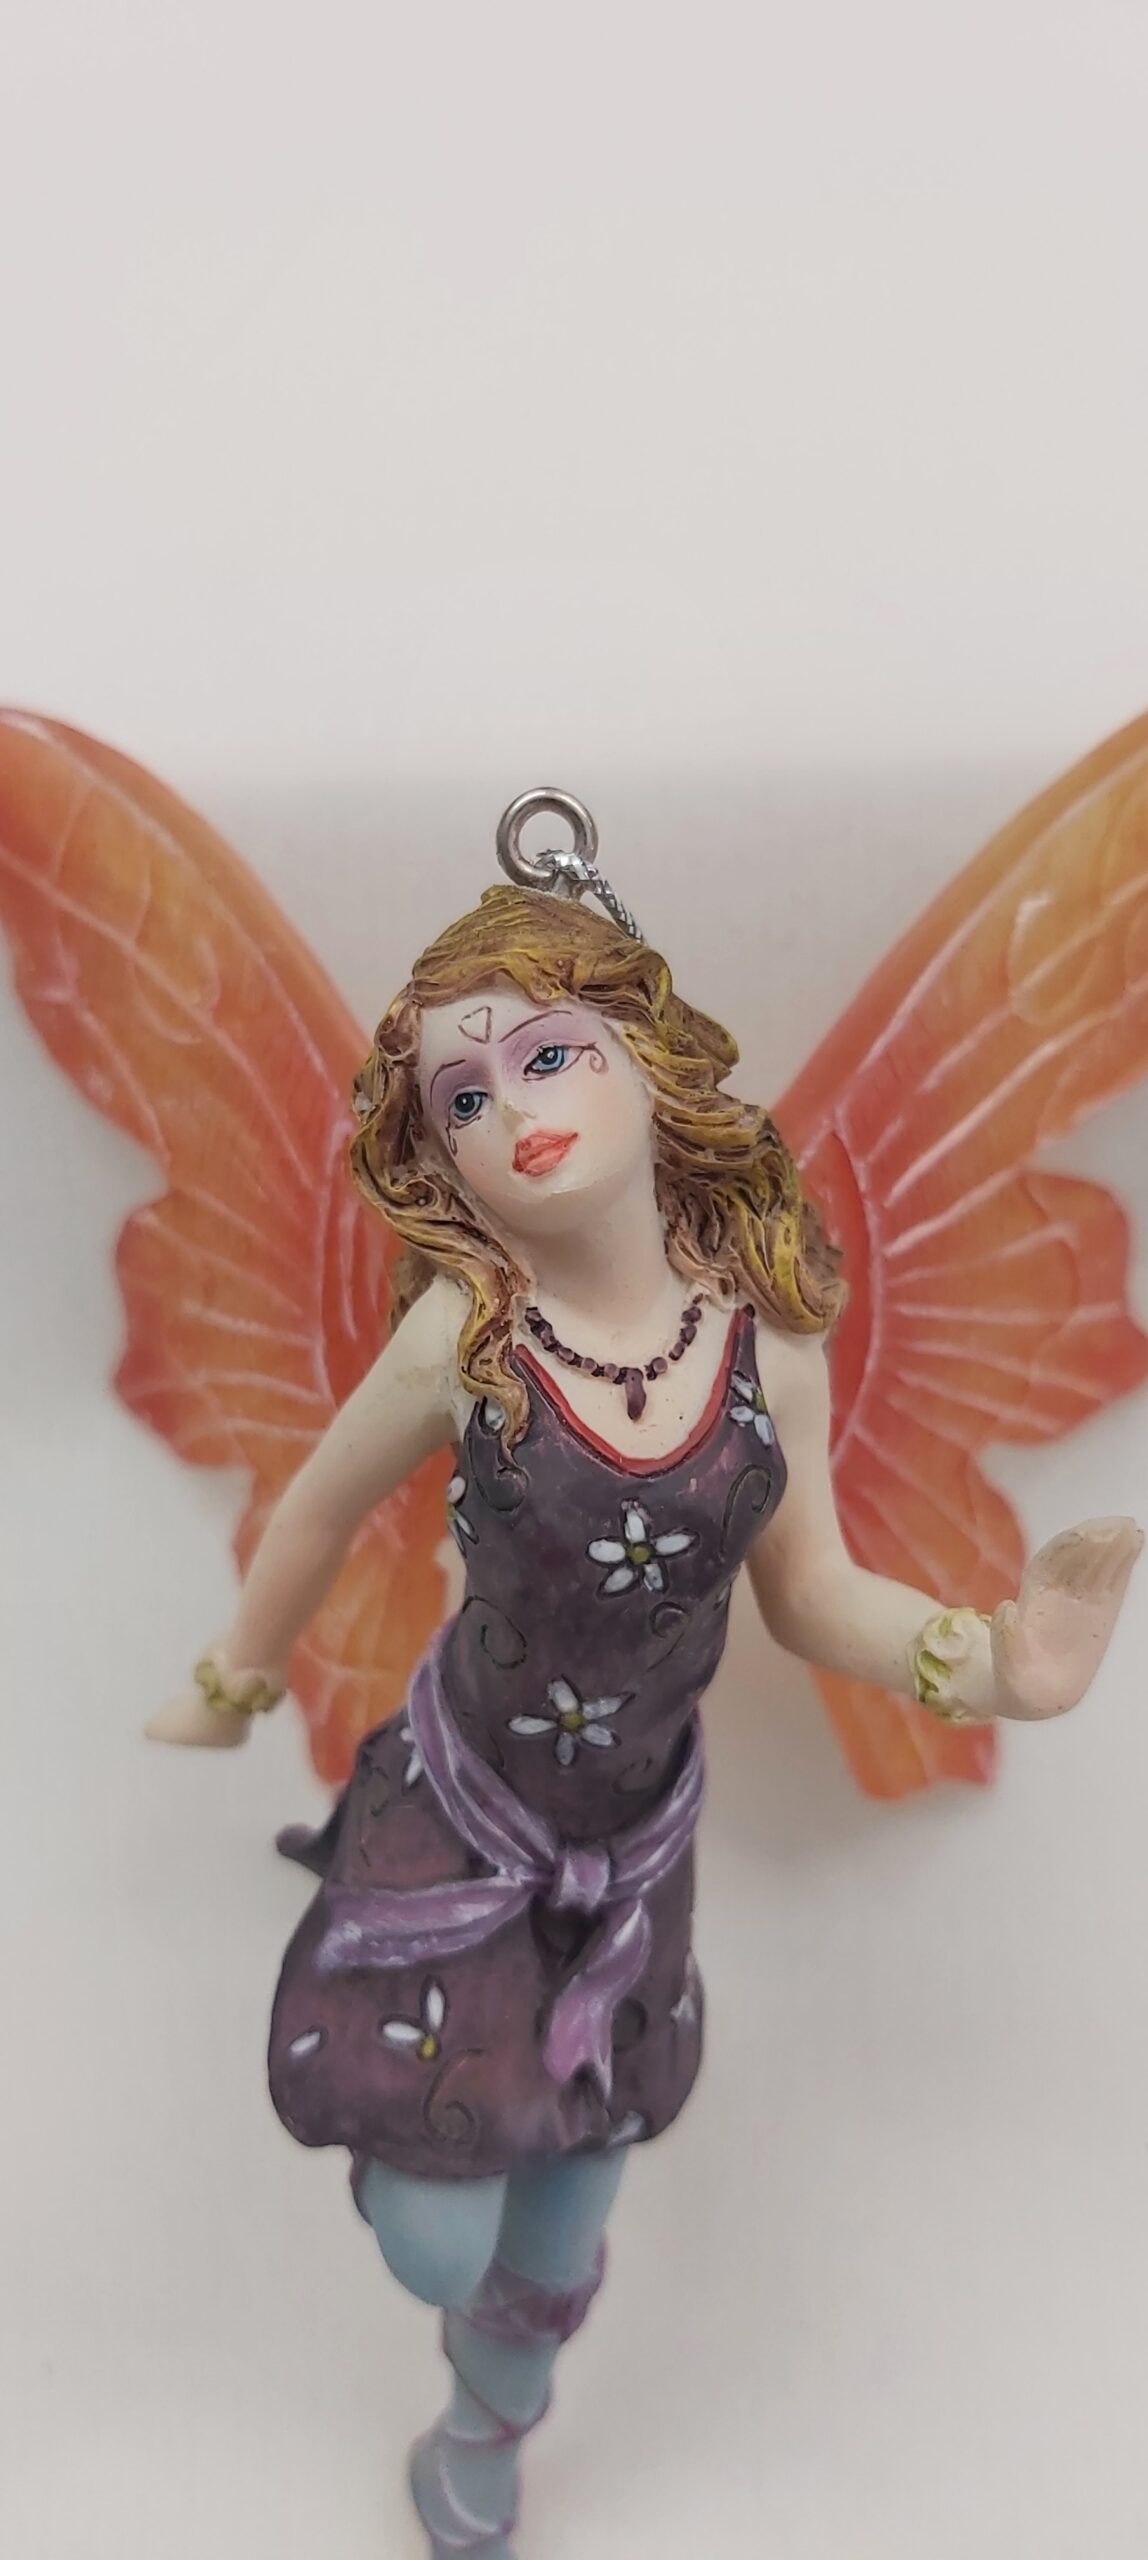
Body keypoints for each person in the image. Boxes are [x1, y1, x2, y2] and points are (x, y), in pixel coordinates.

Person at [151, 803, 1142, 2559]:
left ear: (639, 1055)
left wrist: (991, 1660)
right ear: (436, 1156)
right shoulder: (467, 1343)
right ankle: (460, 2272)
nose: (513, 1109)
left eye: (546, 1054)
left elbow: (812, 1594)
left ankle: (480, 2439)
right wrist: (234, 1678)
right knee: (438, 2239)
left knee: (560, 2235)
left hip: (634, 1853)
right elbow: (312, 1507)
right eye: (464, 1097)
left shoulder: (769, 1338)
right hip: (461, 1817)